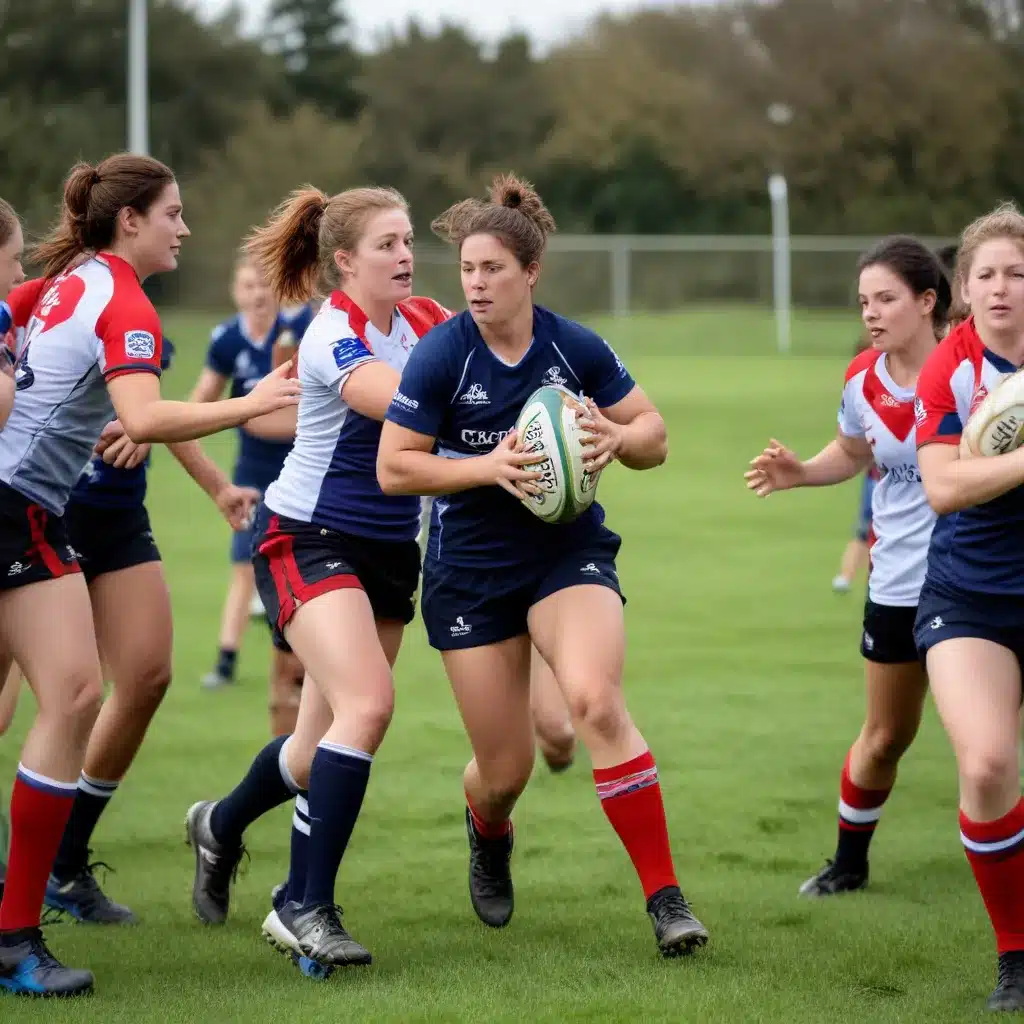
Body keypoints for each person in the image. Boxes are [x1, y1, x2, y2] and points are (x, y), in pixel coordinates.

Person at [376, 173, 708, 958]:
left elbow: (655, 431)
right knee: (506, 768)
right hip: (472, 571)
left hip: (566, 553)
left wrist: (618, 441)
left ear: (530, 272)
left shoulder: (575, 346)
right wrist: (487, 468)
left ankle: (667, 900)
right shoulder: (441, 355)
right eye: (466, 270)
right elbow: (396, 467)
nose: (477, 283)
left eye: (492, 268)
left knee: (594, 703)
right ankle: (488, 833)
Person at [0, 152, 299, 998]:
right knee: (72, 696)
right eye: (173, 212)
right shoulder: (114, 294)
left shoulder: (69, 280)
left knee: (85, 691)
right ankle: (17, 934)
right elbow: (141, 414)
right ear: (130, 220)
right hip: (16, 507)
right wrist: (250, 403)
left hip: (29, 508)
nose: (185, 227)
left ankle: (27, 911)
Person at [184, 184, 450, 977]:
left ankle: (219, 825)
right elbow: (401, 404)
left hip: (391, 551)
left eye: (408, 241)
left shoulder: (427, 321)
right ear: (344, 261)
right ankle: (305, 904)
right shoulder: (334, 334)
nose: (405, 255)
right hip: (307, 537)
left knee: (313, 750)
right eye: (386, 245)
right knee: (368, 707)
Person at [744, 236, 950, 896]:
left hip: (976, 577)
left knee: (991, 745)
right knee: (887, 735)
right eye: (864, 301)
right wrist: (801, 472)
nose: (872, 312)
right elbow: (855, 450)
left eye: (886, 298)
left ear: (927, 301)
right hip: (896, 583)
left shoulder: (978, 369)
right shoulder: (863, 377)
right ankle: (848, 863)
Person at [913, 202, 1024, 1013]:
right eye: (985, 274)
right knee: (985, 764)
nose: (1001, 287)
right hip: (971, 595)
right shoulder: (949, 365)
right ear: (962, 289)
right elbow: (943, 487)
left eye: (1017, 273)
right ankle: (1015, 955)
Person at [194, 257, 314, 691]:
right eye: (248, 286)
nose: (258, 294)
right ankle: (226, 661)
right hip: (250, 472)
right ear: (235, 291)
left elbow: (307, 408)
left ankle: (302, 666)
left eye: (265, 285)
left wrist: (256, 417)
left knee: (300, 567)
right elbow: (201, 402)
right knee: (244, 563)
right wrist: (158, 424)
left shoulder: (299, 333)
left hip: (301, 466)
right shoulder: (227, 339)